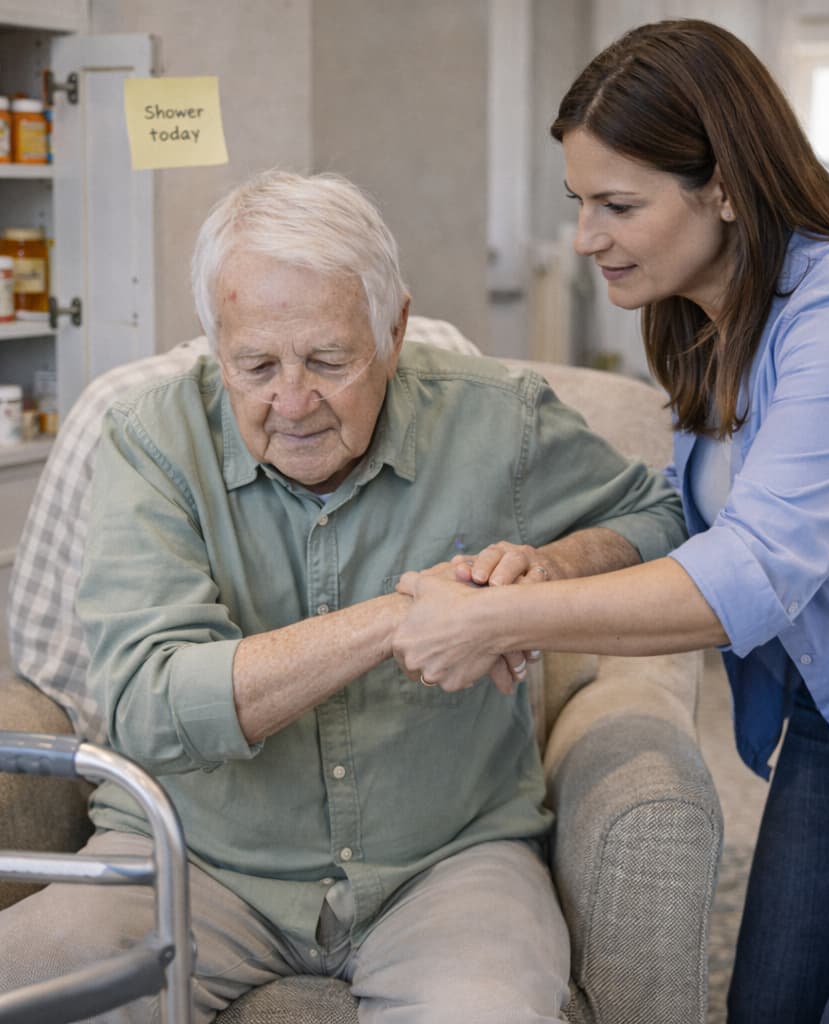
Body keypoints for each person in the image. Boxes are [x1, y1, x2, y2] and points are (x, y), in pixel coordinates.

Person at [391, 18, 829, 1024]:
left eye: (618, 204)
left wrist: (497, 622)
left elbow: (754, 572)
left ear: (723, 185)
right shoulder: (710, 320)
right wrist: (554, 568)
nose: (586, 236)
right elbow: (693, 519)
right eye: (579, 202)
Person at [0, 170, 687, 1022]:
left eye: (328, 360)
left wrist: (549, 576)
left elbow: (658, 514)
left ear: (394, 328)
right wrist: (407, 617)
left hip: (447, 859)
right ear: (216, 342)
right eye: (255, 365)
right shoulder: (150, 439)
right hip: (197, 860)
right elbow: (150, 704)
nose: (292, 402)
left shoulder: (497, 419)